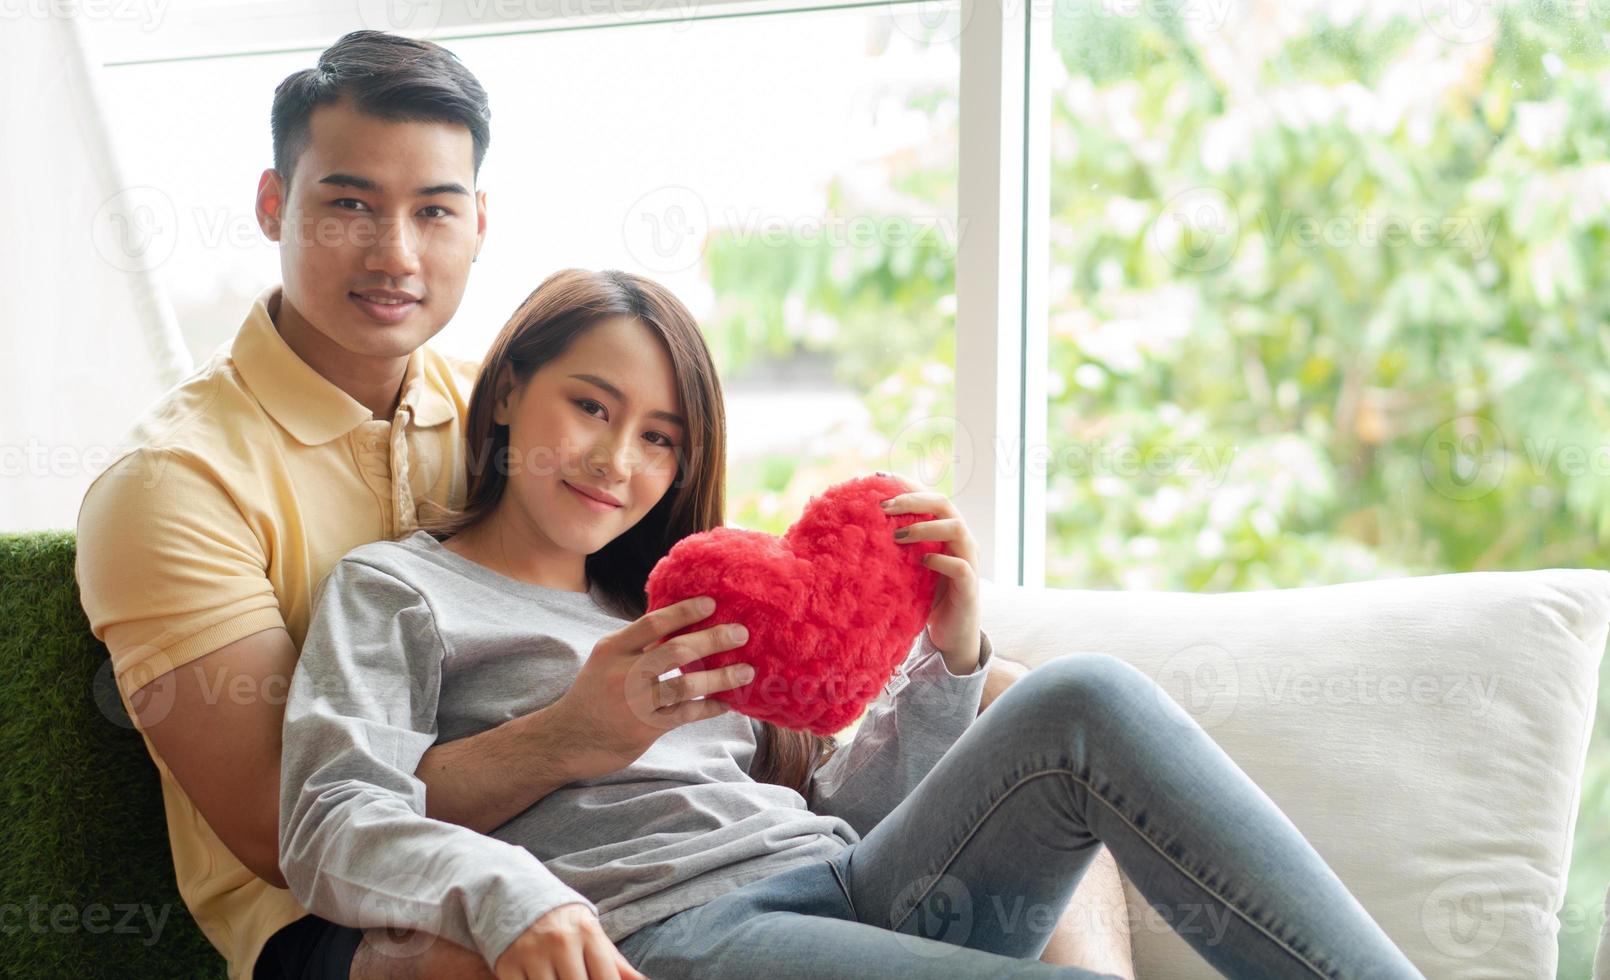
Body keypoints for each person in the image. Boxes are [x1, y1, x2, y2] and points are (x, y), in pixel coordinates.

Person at [74, 29, 1126, 979]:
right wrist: (570, 739)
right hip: (346, 923)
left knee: (1022, 699)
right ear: (273, 204)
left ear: (477, 223)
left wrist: (908, 660)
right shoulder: (175, 484)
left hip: (712, 861)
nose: (394, 251)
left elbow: (713, 666)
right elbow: (287, 827)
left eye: (433, 209)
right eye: (348, 203)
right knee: (508, 947)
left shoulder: (519, 413)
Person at [277, 268, 1428, 980]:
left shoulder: (675, 599)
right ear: (510, 389)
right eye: (590, 405)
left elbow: (851, 808)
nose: (616, 459)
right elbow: (328, 821)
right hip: (675, 932)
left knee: (1081, 695)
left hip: (843, 880)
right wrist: (516, 876)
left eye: (660, 436)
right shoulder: (397, 588)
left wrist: (948, 652)